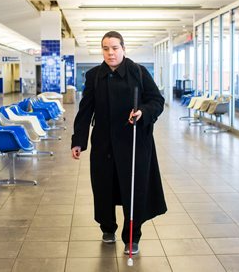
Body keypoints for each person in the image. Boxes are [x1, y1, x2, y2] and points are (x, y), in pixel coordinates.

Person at [71, 31, 167, 255]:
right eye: (105, 48)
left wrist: (143, 111)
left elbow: (157, 101)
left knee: (134, 190)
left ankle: (132, 237)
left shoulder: (138, 72)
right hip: (104, 144)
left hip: (134, 142)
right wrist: (78, 141)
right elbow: (85, 111)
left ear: (123, 48)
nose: (110, 53)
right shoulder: (95, 75)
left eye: (114, 48)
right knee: (103, 187)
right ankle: (107, 228)